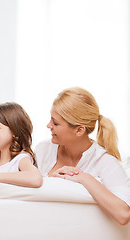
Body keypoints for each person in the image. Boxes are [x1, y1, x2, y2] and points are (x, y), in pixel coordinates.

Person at [35, 87, 130, 225]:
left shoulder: (105, 162)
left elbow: (123, 215)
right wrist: (51, 181)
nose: (48, 125)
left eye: (55, 123)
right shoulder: (43, 149)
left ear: (79, 130)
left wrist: (84, 177)